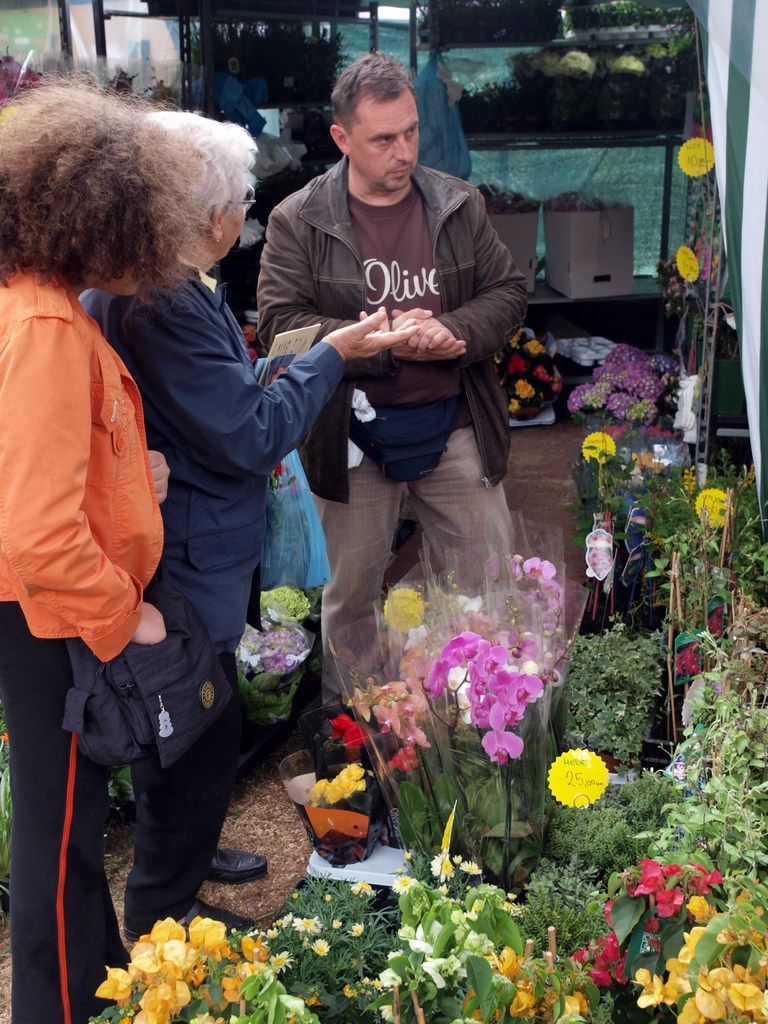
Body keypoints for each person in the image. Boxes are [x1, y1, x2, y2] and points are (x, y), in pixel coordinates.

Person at [80, 111, 419, 941]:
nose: (246, 214)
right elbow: (253, 432)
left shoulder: (155, 283)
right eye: (241, 201)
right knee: (194, 728)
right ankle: (164, 908)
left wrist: (303, 355)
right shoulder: (162, 299)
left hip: (186, 539)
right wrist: (332, 357)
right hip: (189, 549)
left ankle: (185, 864)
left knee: (199, 721)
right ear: (208, 216)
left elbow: (220, 395)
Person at [0, 78, 217, 1024]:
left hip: (44, 611)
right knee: (58, 847)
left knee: (70, 834)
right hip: (53, 620)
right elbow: (37, 532)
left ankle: (96, 988)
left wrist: (132, 473)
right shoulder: (47, 324)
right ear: (98, 216)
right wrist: (128, 619)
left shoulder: (34, 299)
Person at [256, 53, 529, 701]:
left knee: (487, 582)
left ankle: (478, 716)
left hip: (455, 422)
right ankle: (356, 728)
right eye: (383, 139)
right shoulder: (299, 219)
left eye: (411, 132)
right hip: (350, 436)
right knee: (350, 600)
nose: (403, 152)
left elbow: (508, 291)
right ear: (341, 138)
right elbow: (278, 327)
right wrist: (375, 345)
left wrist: (456, 330)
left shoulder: (458, 203)